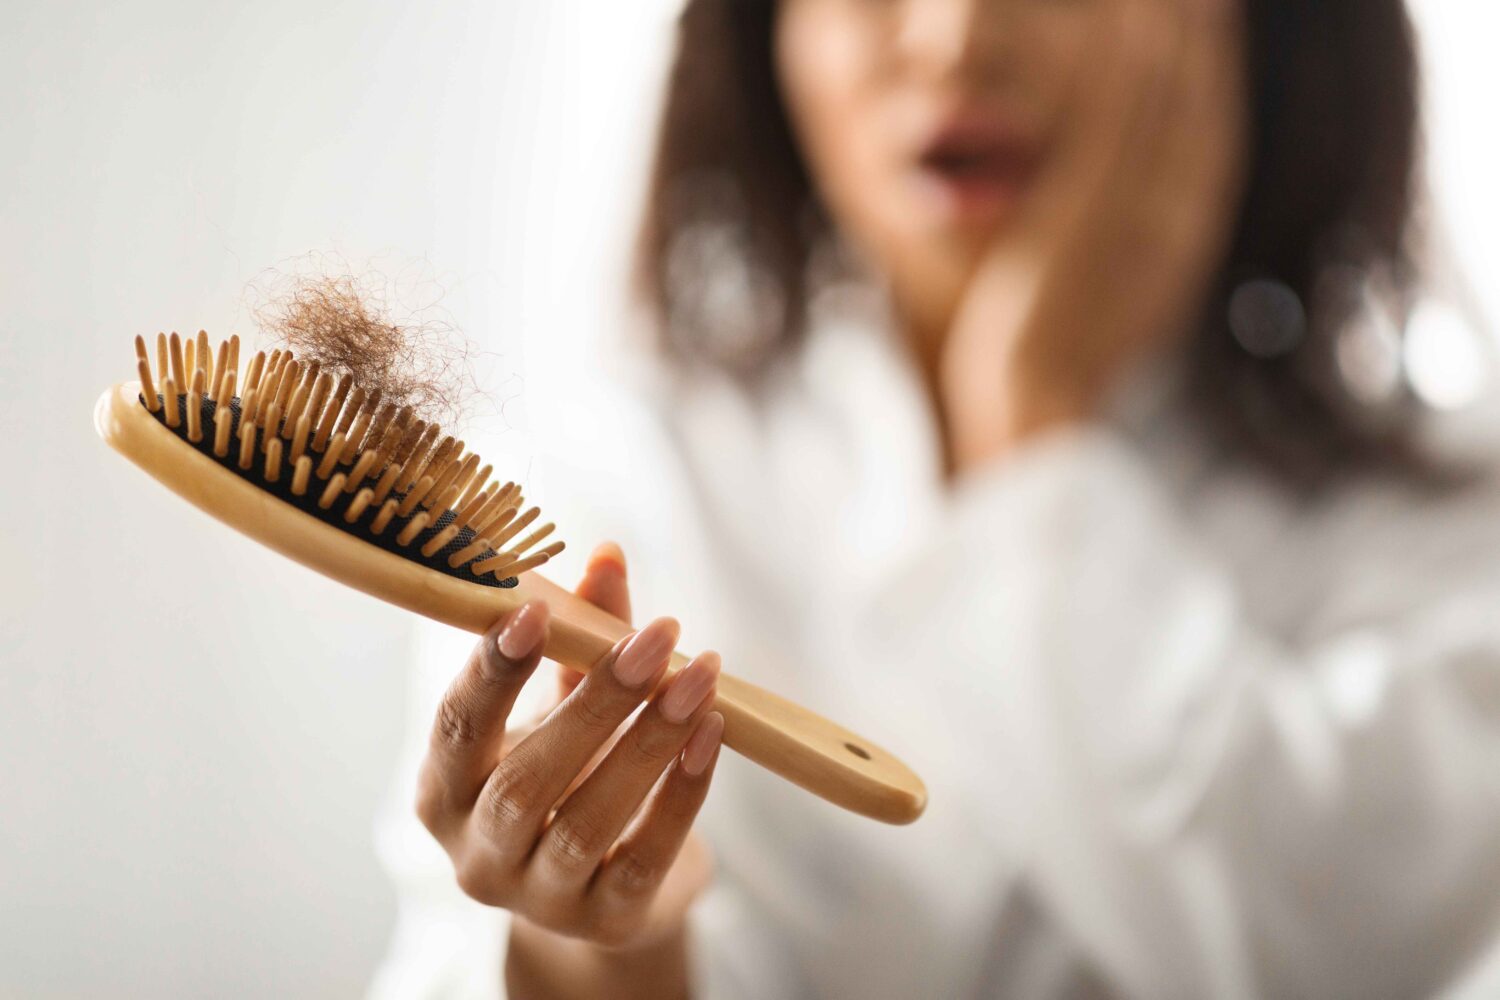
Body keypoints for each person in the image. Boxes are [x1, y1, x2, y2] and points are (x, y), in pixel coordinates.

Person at [371, 0, 1500, 997]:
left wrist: (1027, 414)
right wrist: (601, 953)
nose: (958, 32)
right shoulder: (628, 477)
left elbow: (1335, 954)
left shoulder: (1443, 508)